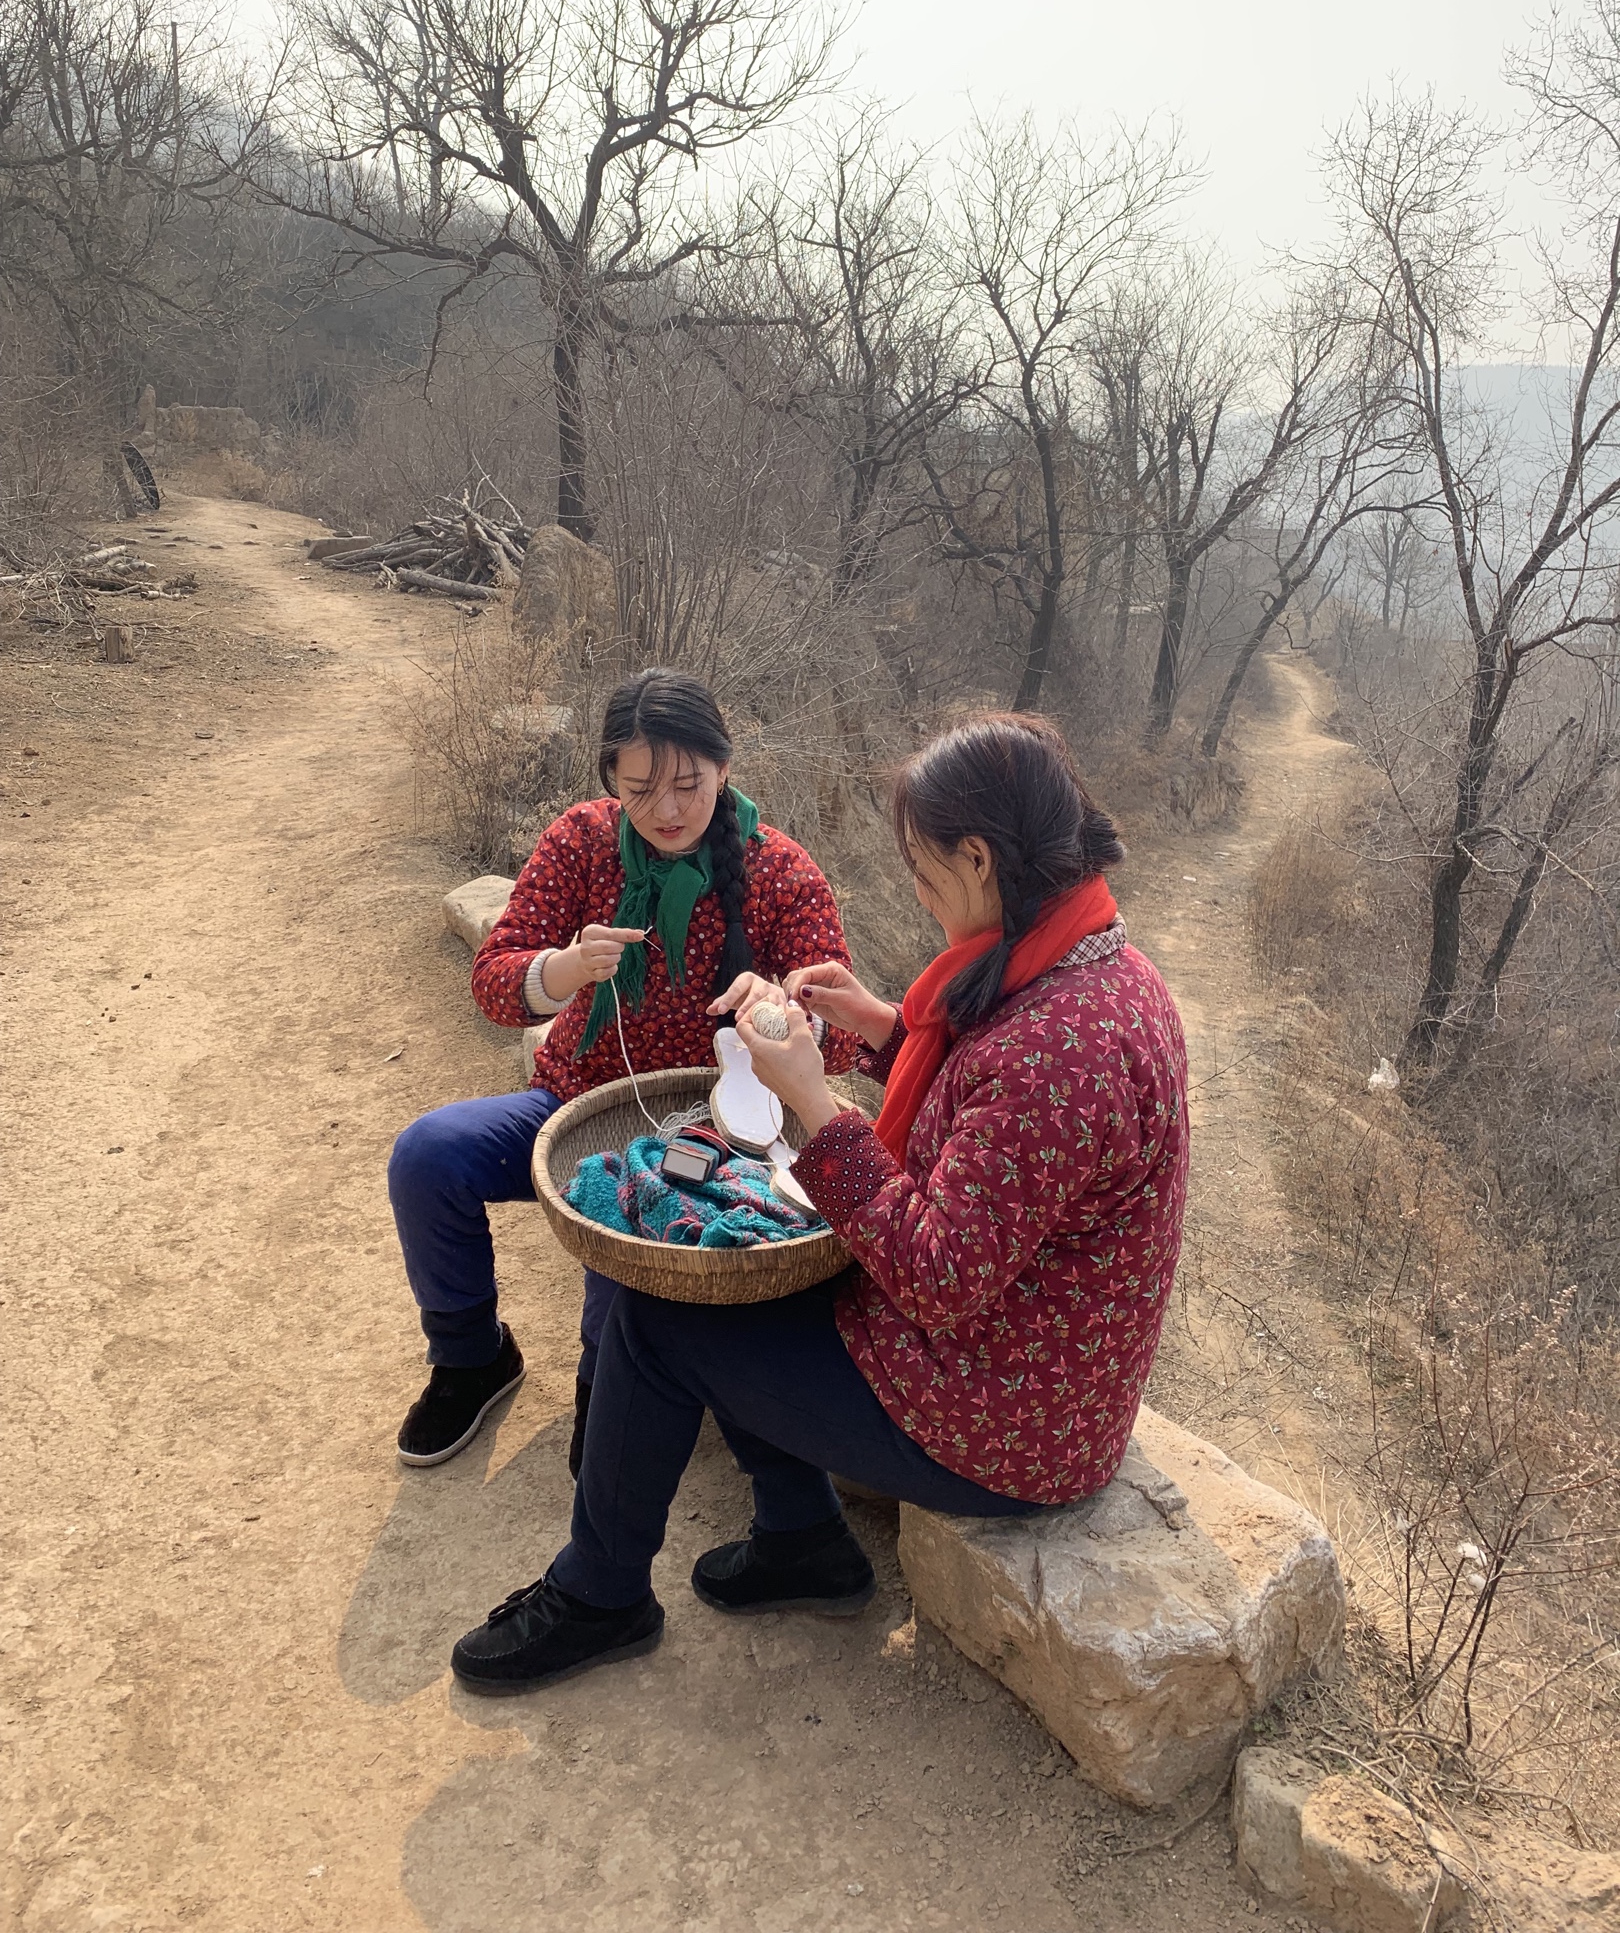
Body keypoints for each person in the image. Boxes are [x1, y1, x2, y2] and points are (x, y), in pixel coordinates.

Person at [448, 711, 1189, 1693]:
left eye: (924, 871)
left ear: (978, 859)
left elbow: (934, 1277)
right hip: (1023, 1363)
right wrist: (880, 1030)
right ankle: (804, 1539)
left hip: (1003, 1417)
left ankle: (601, 1593)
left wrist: (810, 1098)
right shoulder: (1085, 960)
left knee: (659, 1313)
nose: (918, 891)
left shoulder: (1063, 1045)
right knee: (737, 1278)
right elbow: (991, 1118)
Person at [387, 669, 862, 1471]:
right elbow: (495, 984)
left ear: (725, 767)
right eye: (640, 789)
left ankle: (611, 1386)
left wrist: (783, 1012)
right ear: (610, 777)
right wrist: (566, 968)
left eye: (689, 784)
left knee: (619, 1256)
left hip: (724, 1139)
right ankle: (471, 1355)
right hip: (581, 1102)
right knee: (427, 1158)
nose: (668, 811)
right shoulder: (580, 842)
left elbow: (844, 1042)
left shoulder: (779, 871)